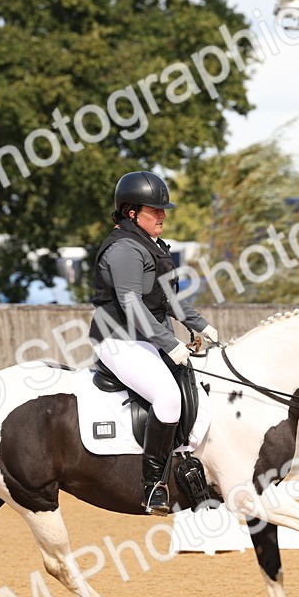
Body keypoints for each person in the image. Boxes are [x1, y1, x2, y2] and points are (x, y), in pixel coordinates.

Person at [89, 171, 219, 516]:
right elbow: (131, 304)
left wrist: (202, 326)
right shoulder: (124, 250)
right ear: (131, 212)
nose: (163, 215)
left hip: (144, 339)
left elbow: (171, 301)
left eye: (163, 210)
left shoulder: (151, 246)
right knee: (168, 396)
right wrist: (169, 342)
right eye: (154, 210)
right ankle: (153, 485)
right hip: (118, 340)